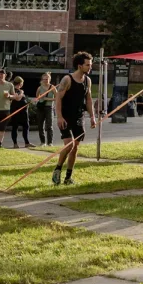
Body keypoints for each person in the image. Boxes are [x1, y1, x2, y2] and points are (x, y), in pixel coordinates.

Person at [52, 53, 97, 185]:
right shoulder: (67, 79)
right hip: (65, 117)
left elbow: (88, 99)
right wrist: (59, 116)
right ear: (80, 65)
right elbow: (58, 98)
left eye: (90, 64)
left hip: (79, 117)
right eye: (87, 65)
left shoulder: (87, 80)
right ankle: (57, 169)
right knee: (69, 145)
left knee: (75, 147)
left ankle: (68, 177)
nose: (90, 67)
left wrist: (92, 116)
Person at [9, 76, 32, 148]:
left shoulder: (17, 90)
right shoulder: (16, 90)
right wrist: (22, 93)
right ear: (20, 83)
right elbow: (18, 99)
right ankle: (16, 143)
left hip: (23, 111)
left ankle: (26, 142)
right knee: (16, 127)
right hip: (17, 111)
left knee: (25, 126)